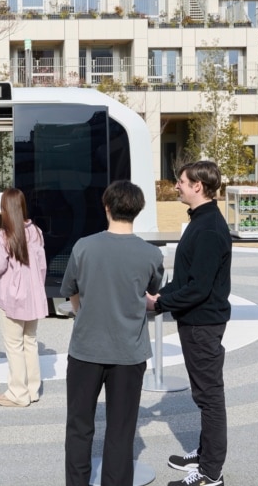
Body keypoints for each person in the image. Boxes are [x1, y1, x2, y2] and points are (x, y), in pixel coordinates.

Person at [61, 180, 164, 486]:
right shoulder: (150, 254)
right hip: (129, 353)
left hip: (85, 349)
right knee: (121, 429)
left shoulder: (84, 246)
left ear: (106, 207)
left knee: (79, 426)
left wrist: (84, 313)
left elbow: (72, 293)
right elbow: (151, 295)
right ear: (138, 210)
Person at [147, 161, 232, 486]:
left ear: (198, 186)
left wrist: (161, 302)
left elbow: (198, 287)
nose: (177, 186)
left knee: (209, 397)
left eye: (181, 181)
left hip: (203, 324)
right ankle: (204, 454)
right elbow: (185, 278)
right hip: (196, 322)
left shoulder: (209, 228)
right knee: (203, 393)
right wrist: (159, 296)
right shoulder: (201, 221)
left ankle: (211, 473)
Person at [0, 188, 48, 407]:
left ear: (5, 208)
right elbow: (42, 266)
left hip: (12, 297)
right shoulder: (36, 231)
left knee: (14, 345)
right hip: (34, 296)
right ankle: (32, 390)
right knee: (30, 342)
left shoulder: (5, 235)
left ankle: (17, 394)